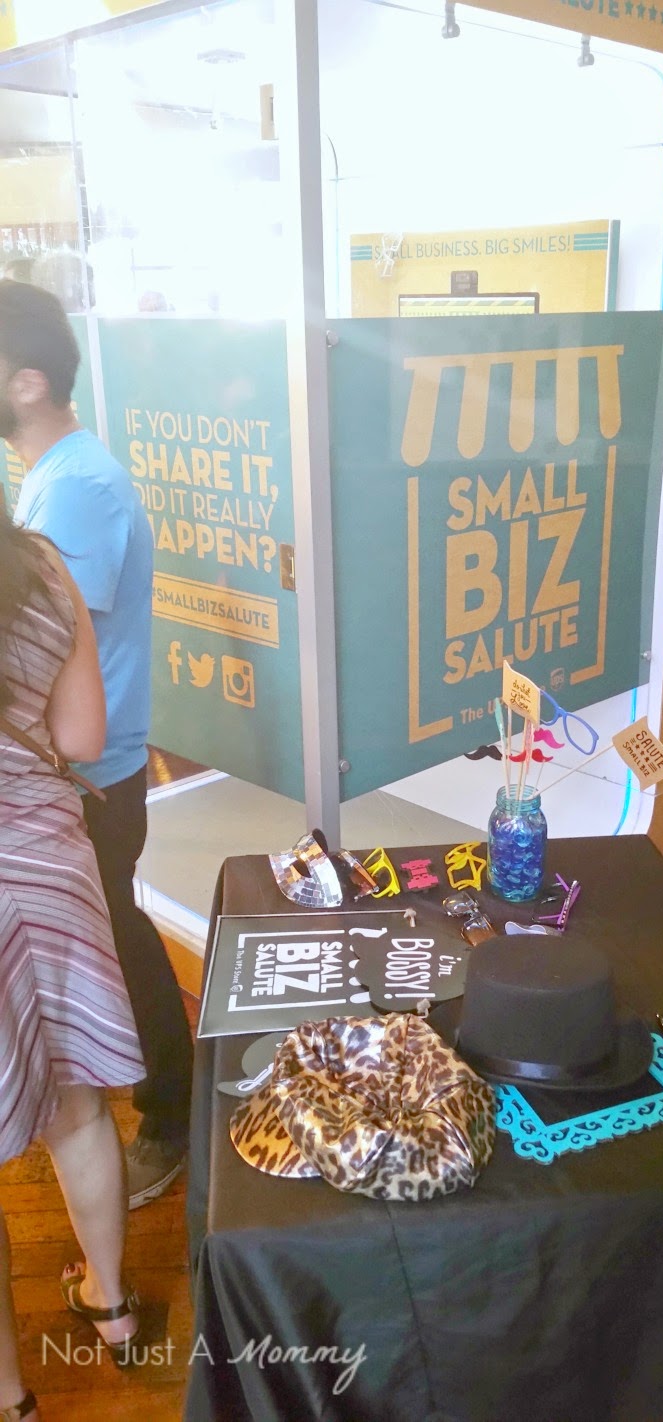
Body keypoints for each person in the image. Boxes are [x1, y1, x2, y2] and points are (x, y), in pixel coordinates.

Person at [0, 279, 194, 1209]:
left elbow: (38, 656)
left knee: (118, 938)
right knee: (116, 932)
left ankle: (168, 1116)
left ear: (28, 382)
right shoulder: (57, 476)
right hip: (74, 770)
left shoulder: (75, 489)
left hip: (83, 775)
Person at [0, 510, 144, 1418]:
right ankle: (112, 1304)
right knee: (79, 1106)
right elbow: (85, 738)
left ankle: (11, 1395)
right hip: (45, 857)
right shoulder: (38, 562)